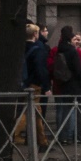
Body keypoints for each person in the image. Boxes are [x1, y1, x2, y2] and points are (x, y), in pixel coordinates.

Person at [17, 23, 51, 151]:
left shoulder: (20, 47)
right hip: (34, 84)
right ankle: (14, 134)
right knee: (33, 112)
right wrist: (46, 86)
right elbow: (40, 69)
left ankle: (42, 142)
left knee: (34, 113)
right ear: (35, 34)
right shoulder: (38, 49)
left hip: (22, 83)